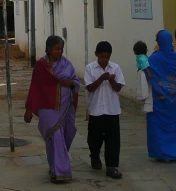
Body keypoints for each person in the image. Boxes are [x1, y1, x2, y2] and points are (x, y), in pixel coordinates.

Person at [24, 35, 80, 183]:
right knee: (54, 137)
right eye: (56, 49)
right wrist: (29, 108)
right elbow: (34, 87)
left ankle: (55, 167)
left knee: (66, 136)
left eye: (61, 49)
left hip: (66, 107)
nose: (59, 51)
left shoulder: (67, 65)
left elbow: (76, 82)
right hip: (48, 108)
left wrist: (71, 83)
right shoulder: (41, 66)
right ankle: (60, 171)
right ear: (49, 49)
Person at [146, 30, 176, 163]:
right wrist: (172, 91)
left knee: (158, 126)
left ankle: (163, 154)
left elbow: (149, 75)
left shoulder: (154, 58)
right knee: (174, 124)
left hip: (158, 98)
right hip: (173, 98)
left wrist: (162, 90)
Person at [84, 41, 125, 179]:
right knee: (94, 138)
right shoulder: (90, 68)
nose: (105, 60)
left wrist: (111, 80)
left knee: (113, 139)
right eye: (102, 57)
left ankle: (111, 166)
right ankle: (95, 156)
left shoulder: (116, 67)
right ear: (96, 55)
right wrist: (102, 78)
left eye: (107, 57)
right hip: (95, 110)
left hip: (112, 109)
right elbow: (90, 87)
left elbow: (118, 88)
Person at [134, 41, 153, 114]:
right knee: (146, 89)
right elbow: (145, 65)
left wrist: (149, 73)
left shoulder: (140, 57)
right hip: (144, 73)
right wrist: (149, 73)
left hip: (142, 73)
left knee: (144, 89)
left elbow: (145, 65)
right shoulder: (142, 57)